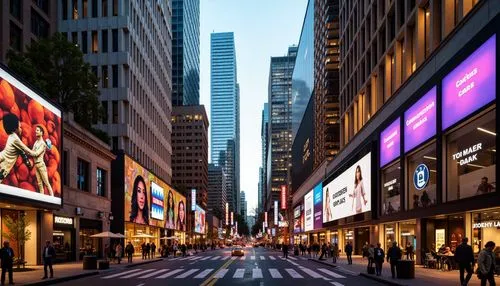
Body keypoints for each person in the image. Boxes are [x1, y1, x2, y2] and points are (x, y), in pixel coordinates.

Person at [0, 114, 36, 182]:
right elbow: (26, 150)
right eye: (20, 127)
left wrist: (28, 162)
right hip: (5, 162)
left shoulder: (13, 137)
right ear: (14, 129)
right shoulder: (15, 138)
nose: (21, 129)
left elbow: (21, 152)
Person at [32, 125, 54, 196]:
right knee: (39, 184)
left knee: (46, 183)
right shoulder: (36, 142)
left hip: (41, 164)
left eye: (37, 130)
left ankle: (52, 198)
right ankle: (42, 198)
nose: (36, 131)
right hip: (36, 165)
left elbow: (36, 153)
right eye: (36, 130)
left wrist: (26, 150)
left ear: (41, 133)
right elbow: (32, 152)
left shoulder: (43, 144)